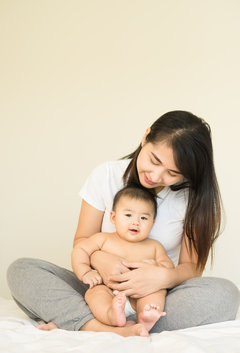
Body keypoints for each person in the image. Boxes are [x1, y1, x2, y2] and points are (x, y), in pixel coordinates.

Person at [7, 110, 240, 338]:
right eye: (154, 160)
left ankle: (87, 321)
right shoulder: (106, 175)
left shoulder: (190, 197)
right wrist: (102, 261)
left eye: (172, 173)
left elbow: (191, 268)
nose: (156, 176)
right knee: (22, 270)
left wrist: (160, 278)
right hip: (99, 287)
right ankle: (111, 324)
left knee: (225, 294)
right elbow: (82, 241)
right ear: (146, 136)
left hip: (155, 295)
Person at [72, 185, 174, 335]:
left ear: (152, 223)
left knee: (158, 291)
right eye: (128, 215)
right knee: (94, 293)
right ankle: (111, 314)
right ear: (113, 217)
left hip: (141, 294)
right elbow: (80, 249)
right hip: (108, 290)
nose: (136, 222)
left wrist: (157, 265)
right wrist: (85, 271)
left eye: (144, 218)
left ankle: (146, 316)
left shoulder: (154, 246)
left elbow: (168, 267)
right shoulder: (104, 239)